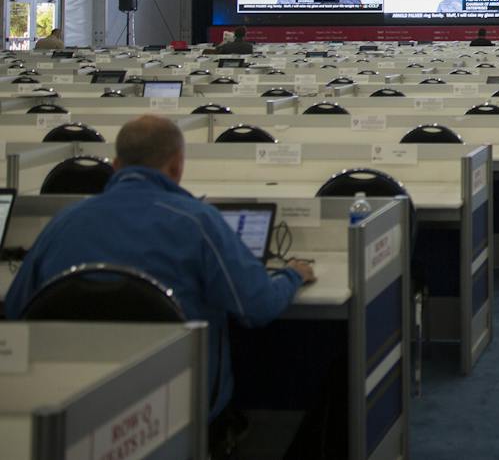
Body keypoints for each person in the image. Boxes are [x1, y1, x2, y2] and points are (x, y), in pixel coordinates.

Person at [4, 116, 315, 437]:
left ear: (114, 165)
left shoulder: (63, 222)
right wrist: (292, 274)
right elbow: (257, 306)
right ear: (177, 166)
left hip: (69, 407)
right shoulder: (198, 222)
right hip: (176, 406)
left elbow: (16, 311)